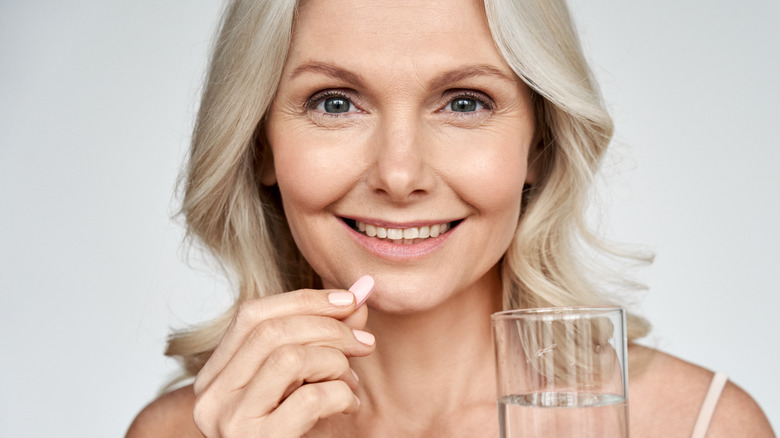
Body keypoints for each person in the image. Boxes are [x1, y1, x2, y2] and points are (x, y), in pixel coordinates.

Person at [128, 0, 774, 436]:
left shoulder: (696, 425)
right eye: (334, 103)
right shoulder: (184, 431)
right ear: (261, 143)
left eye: (464, 103)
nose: (400, 175)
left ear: (538, 147)